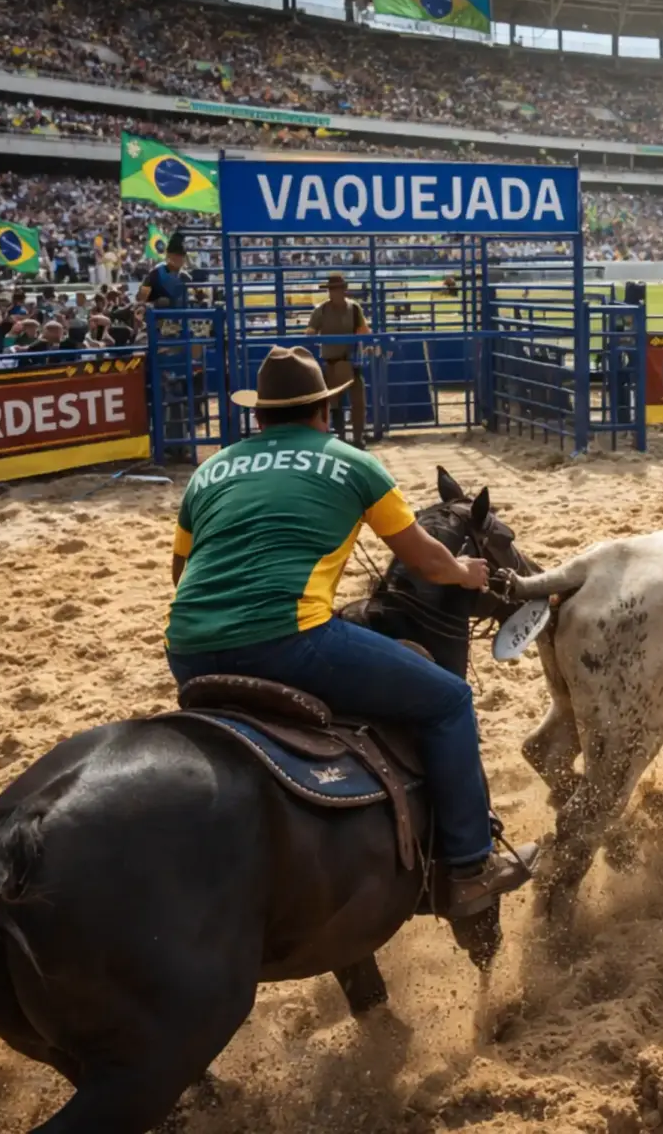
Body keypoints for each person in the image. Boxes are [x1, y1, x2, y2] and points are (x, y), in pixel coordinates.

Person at [163, 346, 534, 916]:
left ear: (258, 416)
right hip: (288, 642)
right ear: (324, 411)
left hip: (188, 650)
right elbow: (426, 562)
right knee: (449, 701)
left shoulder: (210, 470)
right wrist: (465, 571)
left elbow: (181, 573)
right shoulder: (353, 463)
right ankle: (470, 867)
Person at [305, 272, 371, 447]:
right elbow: (310, 331)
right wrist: (312, 332)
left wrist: (364, 337)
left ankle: (358, 438)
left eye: (337, 289)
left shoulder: (354, 308)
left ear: (344, 290)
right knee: (334, 404)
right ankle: (340, 437)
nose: (334, 292)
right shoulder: (321, 310)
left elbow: (364, 330)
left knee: (358, 403)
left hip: (351, 362)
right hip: (333, 362)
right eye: (332, 289)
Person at [137, 232, 193, 310]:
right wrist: (156, 300)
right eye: (176, 255)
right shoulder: (157, 273)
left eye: (181, 255)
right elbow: (141, 298)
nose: (179, 259)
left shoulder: (185, 278)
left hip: (181, 314)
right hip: (159, 314)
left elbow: (193, 295)